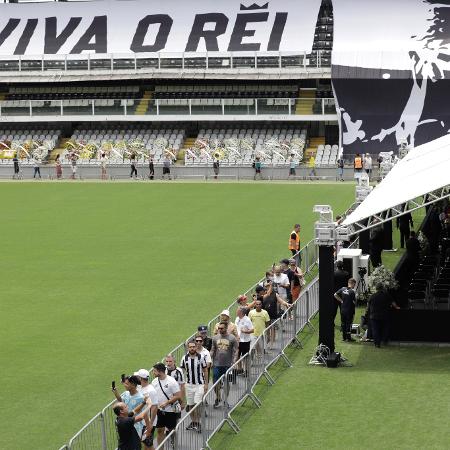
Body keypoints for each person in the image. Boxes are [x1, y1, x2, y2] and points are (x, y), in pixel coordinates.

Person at [151, 363, 182, 446]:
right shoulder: (154, 381)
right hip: (159, 411)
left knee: (172, 429)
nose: (153, 372)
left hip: (171, 411)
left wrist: (167, 402)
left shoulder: (171, 381)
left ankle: (174, 443)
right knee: (159, 430)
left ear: (160, 372)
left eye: (154, 371)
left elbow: (178, 395)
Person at [180, 340, 208, 431]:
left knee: (197, 404)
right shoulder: (184, 358)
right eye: (190, 347)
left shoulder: (201, 357)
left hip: (199, 384)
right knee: (191, 405)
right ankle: (194, 422)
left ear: (196, 347)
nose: (192, 348)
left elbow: (205, 370)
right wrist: (181, 383)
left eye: (193, 346)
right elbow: (182, 371)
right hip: (189, 385)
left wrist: (206, 384)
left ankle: (198, 422)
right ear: (188, 348)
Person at [210, 321, 238, 408]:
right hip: (216, 364)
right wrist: (209, 358)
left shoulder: (232, 338)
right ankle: (218, 397)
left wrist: (234, 361)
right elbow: (213, 349)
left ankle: (225, 399)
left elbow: (236, 350)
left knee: (226, 383)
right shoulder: (215, 338)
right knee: (215, 383)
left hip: (227, 365)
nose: (219, 329)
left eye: (221, 328)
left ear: (226, 328)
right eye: (219, 328)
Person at [112, 375, 146, 442]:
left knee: (134, 444)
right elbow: (121, 401)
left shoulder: (140, 398)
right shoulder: (126, 393)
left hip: (136, 425)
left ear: (133, 385)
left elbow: (138, 411)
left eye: (127, 384)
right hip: (126, 423)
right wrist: (115, 392)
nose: (124, 385)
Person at [368, 282, 400, 348]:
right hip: (384, 315)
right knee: (385, 328)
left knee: (375, 329)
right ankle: (385, 340)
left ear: (376, 288)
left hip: (374, 315)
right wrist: (396, 307)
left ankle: (377, 343)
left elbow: (368, 305)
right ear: (382, 288)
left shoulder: (372, 296)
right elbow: (393, 302)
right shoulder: (386, 295)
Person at [134, 369, 158, 450]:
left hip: (147, 422)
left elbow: (154, 407)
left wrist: (150, 424)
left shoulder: (151, 391)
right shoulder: (140, 387)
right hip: (142, 421)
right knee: (145, 443)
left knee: (149, 445)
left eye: (137, 377)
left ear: (140, 379)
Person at [333, 261, 350, 326]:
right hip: (344, 294)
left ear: (337, 266)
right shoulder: (346, 274)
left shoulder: (333, 273)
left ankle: (332, 322)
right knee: (343, 310)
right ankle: (343, 323)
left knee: (334, 309)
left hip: (335, 294)